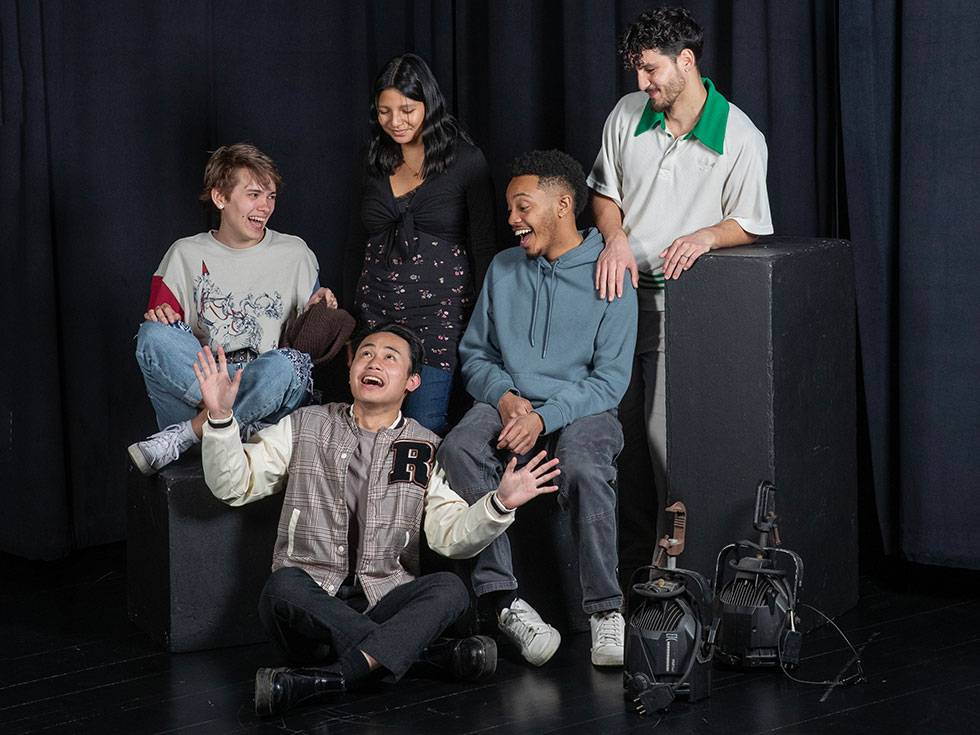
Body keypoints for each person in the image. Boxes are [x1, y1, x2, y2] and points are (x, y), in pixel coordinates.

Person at [194, 324, 560, 716]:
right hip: (313, 616)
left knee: (450, 589)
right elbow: (235, 484)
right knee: (282, 587)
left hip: (383, 603)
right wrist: (219, 419)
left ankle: (327, 680)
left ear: (412, 381)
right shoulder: (305, 424)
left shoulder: (425, 447)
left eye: (390, 357)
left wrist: (499, 503)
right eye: (366, 353)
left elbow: (447, 537)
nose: (375, 362)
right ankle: (420, 656)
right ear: (352, 368)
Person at [587, 7, 773, 582]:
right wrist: (613, 237)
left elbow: (752, 222)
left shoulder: (741, 137)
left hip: (681, 312)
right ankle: (618, 571)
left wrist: (706, 235)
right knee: (611, 438)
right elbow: (603, 193)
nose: (642, 84)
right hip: (614, 302)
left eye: (650, 71)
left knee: (662, 441)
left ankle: (669, 575)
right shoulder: (626, 114)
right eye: (638, 72)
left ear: (686, 61)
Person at [437, 150, 638, 668]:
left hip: (583, 406)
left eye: (522, 207)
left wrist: (543, 419)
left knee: (584, 465)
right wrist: (505, 398)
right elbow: (475, 354)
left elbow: (610, 380)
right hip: (510, 399)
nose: (512, 221)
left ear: (564, 205)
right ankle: (504, 601)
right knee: (459, 447)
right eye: (509, 209)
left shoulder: (610, 270)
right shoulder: (505, 269)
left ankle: (604, 610)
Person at [128, 143, 337, 475]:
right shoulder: (184, 254)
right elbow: (164, 342)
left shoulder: (295, 253)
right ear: (220, 198)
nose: (265, 206)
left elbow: (308, 349)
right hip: (206, 382)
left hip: (265, 385)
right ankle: (232, 424)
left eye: (270, 196)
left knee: (289, 364)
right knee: (152, 335)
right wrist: (162, 319)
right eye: (254, 194)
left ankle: (188, 434)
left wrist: (320, 311)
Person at [346, 53, 496, 436]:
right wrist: (351, 324)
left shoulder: (466, 160)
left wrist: (484, 319)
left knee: (424, 424)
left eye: (407, 110)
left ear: (428, 103)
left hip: (438, 315)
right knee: (371, 424)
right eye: (384, 111)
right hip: (375, 310)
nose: (395, 122)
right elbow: (355, 242)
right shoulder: (373, 158)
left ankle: (422, 499)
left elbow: (483, 246)